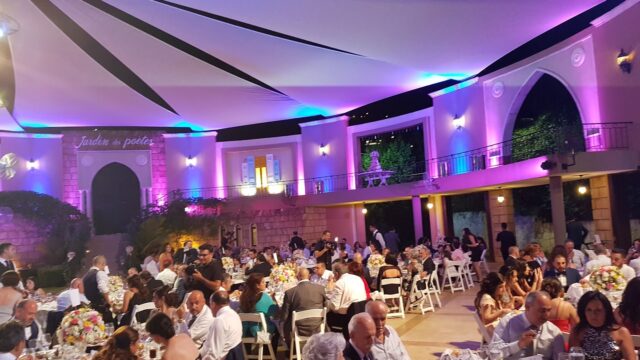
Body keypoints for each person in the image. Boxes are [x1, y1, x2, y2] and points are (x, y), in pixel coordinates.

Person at [489, 291, 565, 359]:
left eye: (549, 310)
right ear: (527, 307)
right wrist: (518, 345)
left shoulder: (554, 332)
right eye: (542, 311)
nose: (546, 315)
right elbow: (493, 354)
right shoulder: (508, 323)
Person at [568, 291, 635, 360]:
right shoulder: (577, 332)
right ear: (583, 312)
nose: (593, 314)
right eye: (589, 310)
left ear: (606, 311)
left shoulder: (621, 332)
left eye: (598, 310)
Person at [281, 267, 328, 347]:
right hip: (318, 327)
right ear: (309, 276)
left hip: (299, 328)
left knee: (285, 321)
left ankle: (290, 349)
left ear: (298, 276)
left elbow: (284, 316)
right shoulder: (320, 289)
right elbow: (326, 307)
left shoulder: (290, 293)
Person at [199, 290, 243, 360]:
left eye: (210, 304)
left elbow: (214, 354)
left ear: (213, 304)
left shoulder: (220, 320)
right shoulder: (235, 315)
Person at [239, 273, 279, 348]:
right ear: (257, 285)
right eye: (263, 282)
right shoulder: (264, 297)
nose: (265, 284)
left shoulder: (243, 296)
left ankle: (249, 353)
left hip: (245, 331)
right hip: (260, 331)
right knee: (277, 330)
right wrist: (273, 300)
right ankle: (268, 354)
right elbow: (275, 313)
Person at [326, 262, 367, 330]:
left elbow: (335, 307)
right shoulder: (358, 278)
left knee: (328, 314)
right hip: (361, 312)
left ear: (336, 274)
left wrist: (327, 302)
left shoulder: (340, 283)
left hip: (347, 317)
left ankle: (332, 337)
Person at [475, 272, 512, 337]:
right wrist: (502, 311)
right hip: (490, 329)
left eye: (504, 286)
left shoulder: (496, 295)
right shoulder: (487, 298)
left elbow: (507, 304)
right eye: (501, 287)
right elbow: (486, 320)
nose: (504, 289)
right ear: (493, 287)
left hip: (497, 325)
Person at [82, 255, 113, 324]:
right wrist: (109, 301)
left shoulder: (85, 275)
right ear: (102, 264)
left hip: (91, 306)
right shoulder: (100, 273)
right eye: (104, 265)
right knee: (109, 324)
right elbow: (103, 288)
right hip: (101, 306)